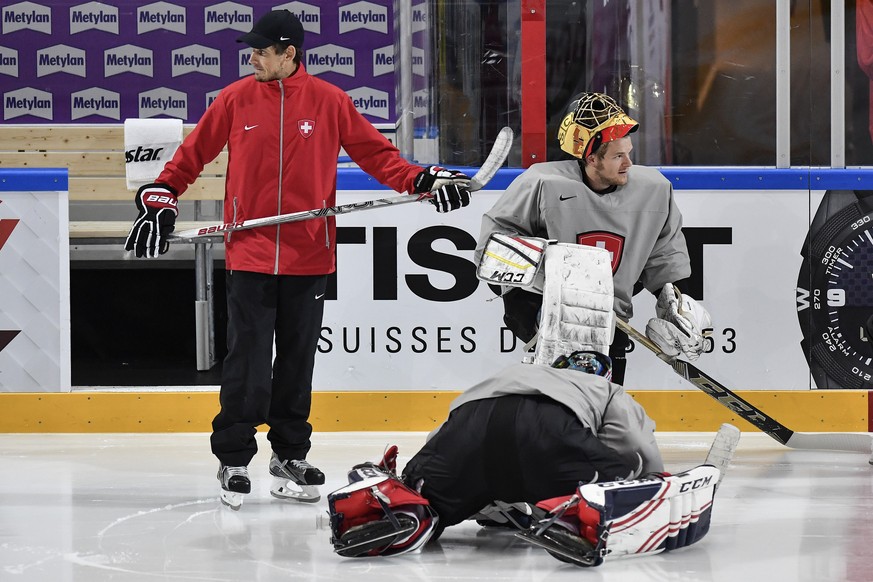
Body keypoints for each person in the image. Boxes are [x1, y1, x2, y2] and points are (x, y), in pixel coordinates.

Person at [123, 9, 472, 510]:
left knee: (297, 360)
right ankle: (234, 457)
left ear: (290, 54)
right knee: (246, 361)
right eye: (252, 50)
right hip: (251, 251)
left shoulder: (330, 101)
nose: (253, 59)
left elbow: (379, 157)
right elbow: (191, 156)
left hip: (310, 254)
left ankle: (289, 454)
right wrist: (161, 195)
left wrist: (420, 180)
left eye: (262, 51)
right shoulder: (236, 98)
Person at [326, 350, 731, 565]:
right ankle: (573, 516)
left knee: (432, 494)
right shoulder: (602, 387)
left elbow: (445, 434)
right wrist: (649, 482)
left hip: (467, 432)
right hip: (547, 436)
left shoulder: (506, 375)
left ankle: (407, 512)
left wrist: (420, 479)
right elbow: (630, 442)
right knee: (612, 475)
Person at [476, 92, 708, 384]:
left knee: (605, 406)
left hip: (612, 315)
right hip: (546, 311)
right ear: (591, 158)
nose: (628, 163)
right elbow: (492, 247)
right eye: (617, 156)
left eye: (629, 153)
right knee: (564, 405)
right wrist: (553, 285)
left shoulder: (654, 190)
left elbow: (664, 253)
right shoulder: (541, 184)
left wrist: (673, 299)